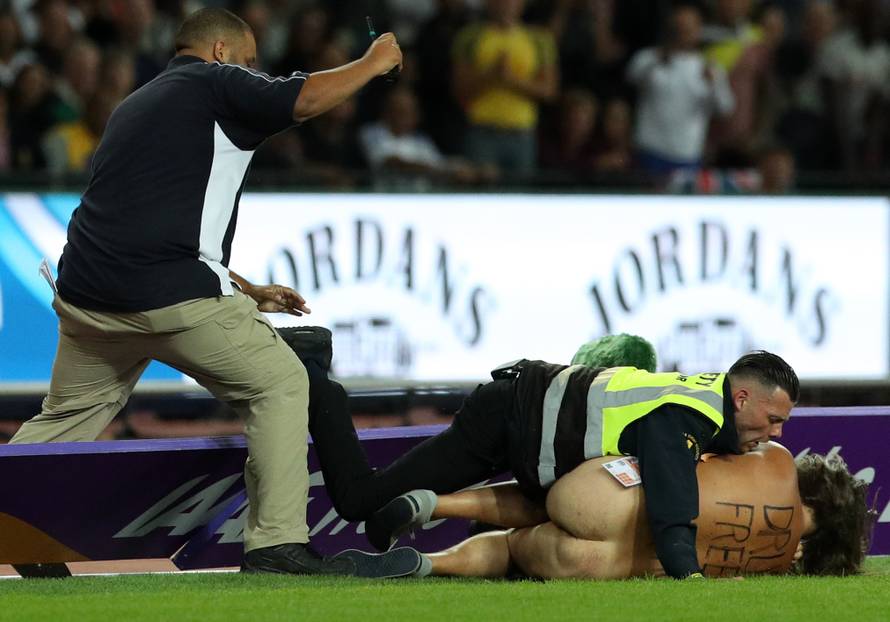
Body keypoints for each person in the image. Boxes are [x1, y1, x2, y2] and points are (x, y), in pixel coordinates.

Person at [9, 7, 419, 579]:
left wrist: (247, 291)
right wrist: (375, 62)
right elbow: (301, 99)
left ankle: (19, 531)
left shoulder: (138, 104)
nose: (254, 74)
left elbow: (150, 218)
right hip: (165, 297)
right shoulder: (216, 82)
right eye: (250, 63)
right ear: (222, 53)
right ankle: (276, 545)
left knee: (67, 415)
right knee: (282, 383)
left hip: (87, 297)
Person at [303, 340, 798, 580]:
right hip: (512, 420)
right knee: (358, 498)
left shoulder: (702, 400)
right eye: (774, 420)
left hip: (528, 422)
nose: (776, 434)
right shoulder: (689, 413)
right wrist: (687, 575)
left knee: (553, 507)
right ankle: (315, 378)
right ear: (742, 399)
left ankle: (428, 506)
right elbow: (672, 502)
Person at [409, 444, 872, 579]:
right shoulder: (770, 566)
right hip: (598, 564)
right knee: (513, 548)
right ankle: (434, 564)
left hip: (607, 492)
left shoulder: (771, 457)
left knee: (539, 500)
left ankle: (438, 504)